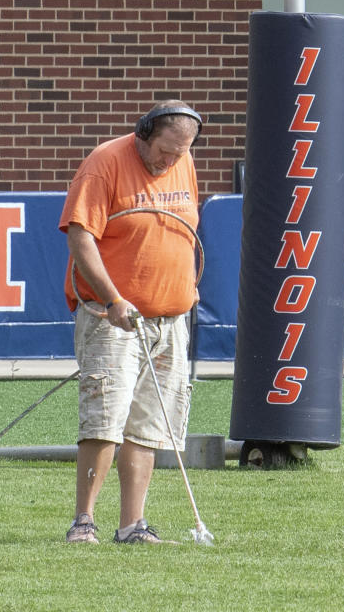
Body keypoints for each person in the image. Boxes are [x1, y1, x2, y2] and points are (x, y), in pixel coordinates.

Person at [59, 100, 201, 544]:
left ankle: (132, 525)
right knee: (104, 418)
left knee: (151, 426)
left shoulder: (183, 160)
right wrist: (113, 299)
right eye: (166, 151)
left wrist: (185, 286)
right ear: (143, 134)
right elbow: (81, 237)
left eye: (181, 152)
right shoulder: (104, 164)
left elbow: (185, 227)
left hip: (171, 318)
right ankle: (84, 521)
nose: (172, 160)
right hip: (113, 318)